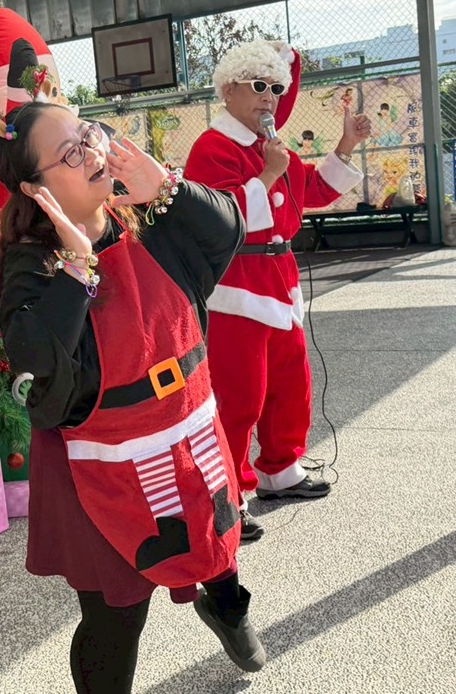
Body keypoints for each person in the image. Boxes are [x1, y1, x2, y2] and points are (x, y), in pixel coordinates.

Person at [0, 99, 265, 693]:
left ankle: (226, 607)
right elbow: (37, 356)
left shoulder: (144, 214)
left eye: (88, 134)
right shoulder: (32, 264)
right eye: (69, 152)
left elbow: (229, 233)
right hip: (100, 461)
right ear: (36, 189)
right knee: (117, 614)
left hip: (187, 427)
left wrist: (167, 188)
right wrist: (78, 268)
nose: (91, 151)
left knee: (216, 537)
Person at [184, 40, 371, 540]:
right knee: (238, 397)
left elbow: (313, 190)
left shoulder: (266, 145)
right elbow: (216, 218)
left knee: (291, 384)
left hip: (279, 280)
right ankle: (228, 494)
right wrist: (269, 172)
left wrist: (345, 144)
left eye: (276, 89)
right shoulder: (213, 147)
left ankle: (280, 469)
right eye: (258, 86)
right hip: (237, 284)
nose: (269, 97)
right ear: (229, 90)